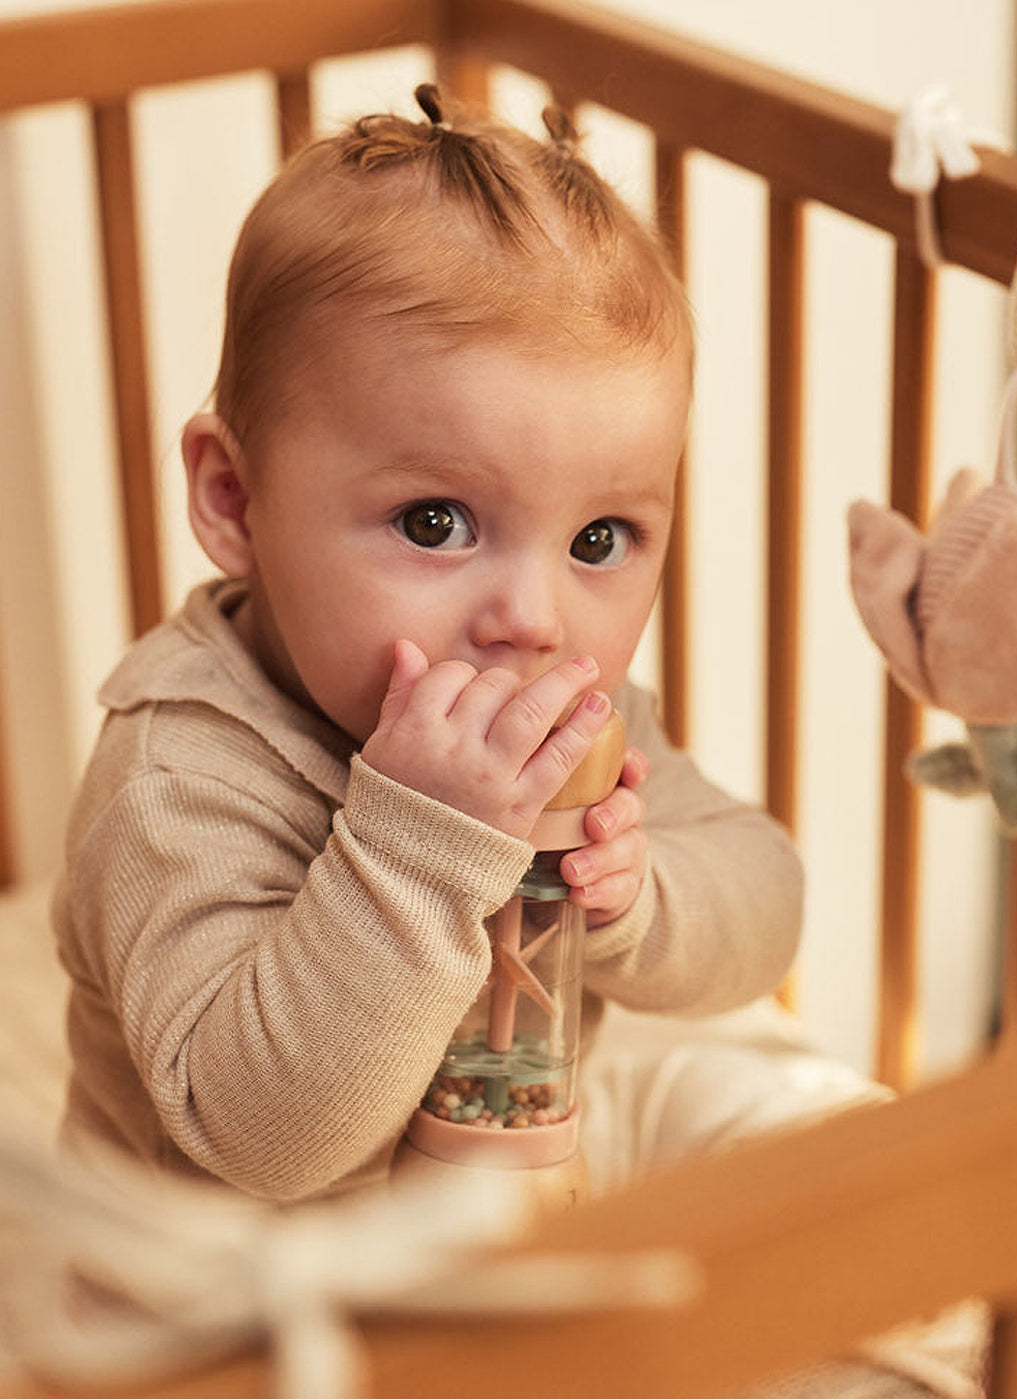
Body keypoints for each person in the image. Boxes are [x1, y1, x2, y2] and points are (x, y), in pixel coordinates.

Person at [52, 85, 806, 1203]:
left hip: (485, 1258)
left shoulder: (561, 708)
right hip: (216, 1328)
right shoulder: (179, 777)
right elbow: (255, 1135)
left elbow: (769, 898)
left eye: (600, 537)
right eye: (435, 522)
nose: (533, 618)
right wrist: (413, 852)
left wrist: (637, 901)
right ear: (235, 499)